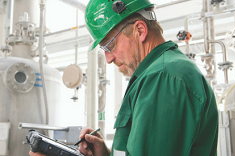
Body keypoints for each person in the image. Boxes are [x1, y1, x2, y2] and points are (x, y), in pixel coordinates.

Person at [29, 0, 218, 156]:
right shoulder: (156, 73)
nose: (109, 58)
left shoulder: (163, 77)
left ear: (140, 30)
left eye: (109, 46)